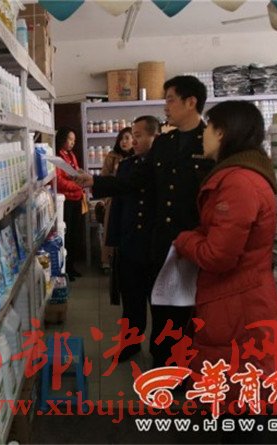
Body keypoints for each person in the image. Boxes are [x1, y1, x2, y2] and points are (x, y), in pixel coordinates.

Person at [75, 76, 215, 367]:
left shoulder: (211, 140)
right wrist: (96, 182)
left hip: (193, 241)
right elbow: (136, 181)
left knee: (184, 311)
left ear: (191, 102)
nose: (166, 106)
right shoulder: (165, 144)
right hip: (160, 240)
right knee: (160, 307)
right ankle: (160, 362)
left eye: (170, 100)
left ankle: (178, 366)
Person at [173, 101, 277, 409]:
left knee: (240, 404)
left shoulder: (238, 182)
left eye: (208, 128)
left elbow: (217, 256)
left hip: (238, 306)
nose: (203, 135)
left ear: (222, 132)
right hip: (235, 300)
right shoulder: (242, 174)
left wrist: (185, 240)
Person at [109, 116, 160, 360]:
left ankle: (160, 350)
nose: (133, 141)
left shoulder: (164, 166)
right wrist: (114, 240)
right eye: (133, 135)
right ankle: (130, 344)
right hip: (130, 243)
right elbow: (118, 205)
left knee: (159, 304)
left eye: (139, 136)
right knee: (131, 300)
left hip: (155, 246)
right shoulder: (127, 166)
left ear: (154, 137)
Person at [100, 127, 133, 269]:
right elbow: (104, 178)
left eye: (127, 138)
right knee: (112, 231)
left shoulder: (137, 157)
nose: (123, 142)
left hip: (131, 202)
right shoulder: (112, 156)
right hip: (114, 199)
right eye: (121, 139)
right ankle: (109, 262)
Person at [55, 126, 84, 281]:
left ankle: (71, 267)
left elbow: (76, 173)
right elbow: (59, 182)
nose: (72, 143)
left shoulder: (71, 155)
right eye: (70, 139)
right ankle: (65, 269)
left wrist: (80, 176)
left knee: (75, 235)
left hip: (77, 199)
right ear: (62, 139)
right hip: (67, 201)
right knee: (67, 234)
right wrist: (78, 185)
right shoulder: (58, 158)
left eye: (74, 140)